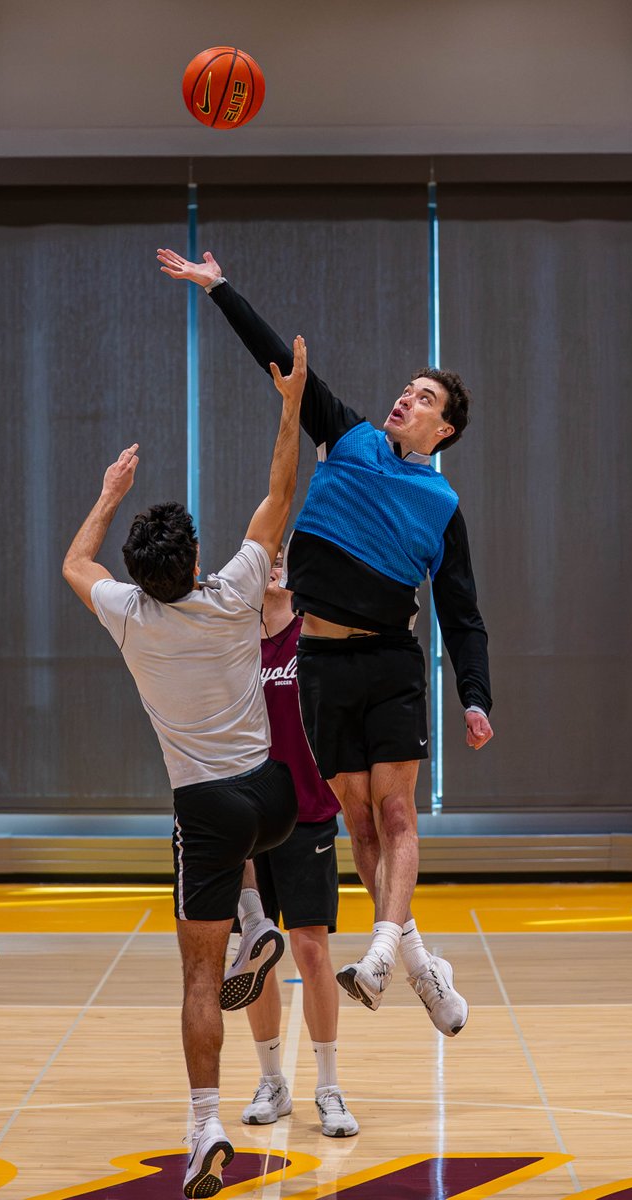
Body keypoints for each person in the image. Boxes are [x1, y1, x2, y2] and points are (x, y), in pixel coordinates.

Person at [158, 247, 494, 1036]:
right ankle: (419, 964)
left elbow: (463, 613)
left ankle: (380, 951)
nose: (404, 399)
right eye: (406, 389)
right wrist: (221, 291)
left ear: (443, 428)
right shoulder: (347, 439)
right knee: (360, 822)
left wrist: (474, 696)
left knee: (399, 811)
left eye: (423, 398)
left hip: (388, 660)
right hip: (322, 660)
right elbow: (284, 364)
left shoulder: (442, 507)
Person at [62, 339, 306, 1200]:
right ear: (196, 558)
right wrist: (289, 402)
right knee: (240, 843)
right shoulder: (240, 587)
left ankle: (203, 1124)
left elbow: (72, 564)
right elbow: (279, 494)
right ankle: (254, 917)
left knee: (200, 977)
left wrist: (106, 494)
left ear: (140, 576)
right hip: (271, 796)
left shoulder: (129, 615)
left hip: (204, 810)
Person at [229, 554, 358, 1138]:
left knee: (310, 949)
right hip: (251, 820)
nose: (277, 564)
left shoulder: (315, 636)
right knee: (258, 956)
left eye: (286, 556)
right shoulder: (231, 642)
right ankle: (271, 1081)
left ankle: (328, 1086)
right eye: (268, 557)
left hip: (309, 817)